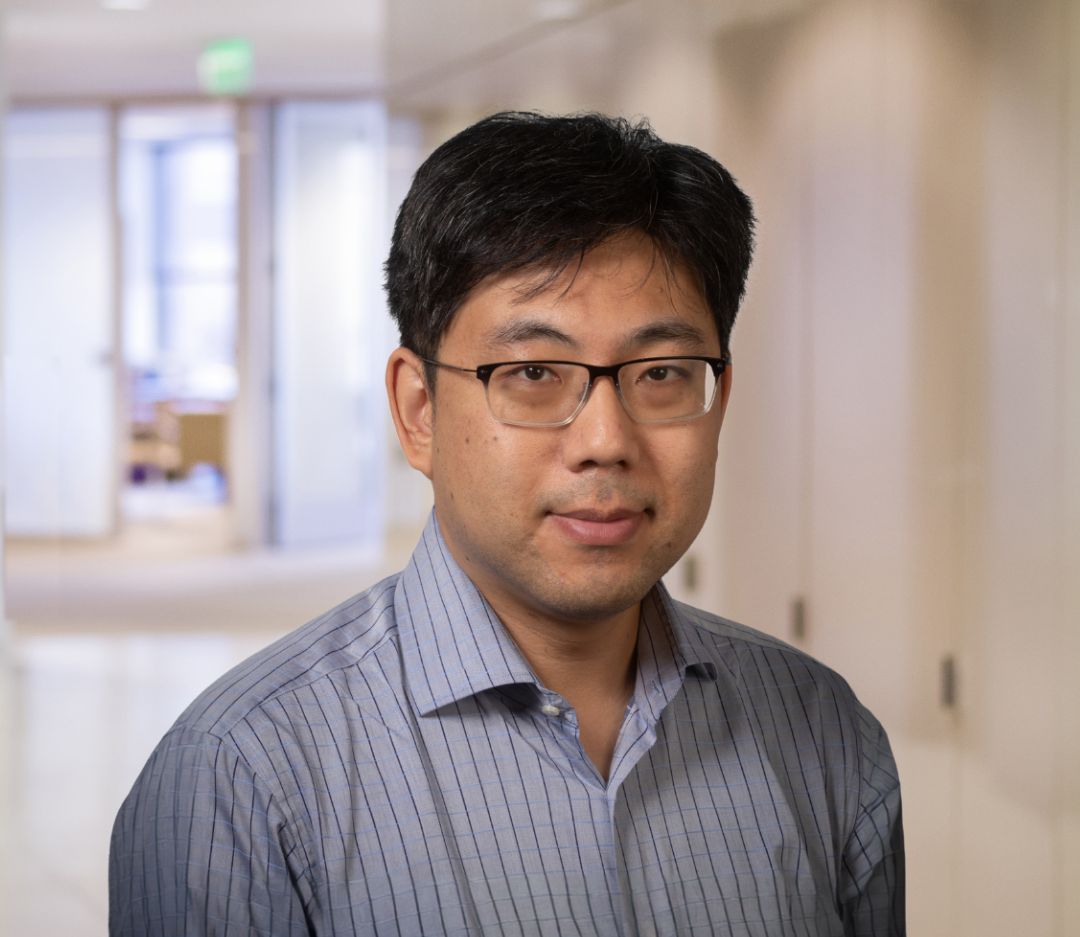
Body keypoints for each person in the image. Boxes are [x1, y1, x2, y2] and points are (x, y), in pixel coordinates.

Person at [110, 111, 904, 936]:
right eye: (532, 372)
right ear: (418, 410)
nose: (605, 441)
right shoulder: (243, 778)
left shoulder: (822, 731)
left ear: (719, 399)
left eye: (662, 372)